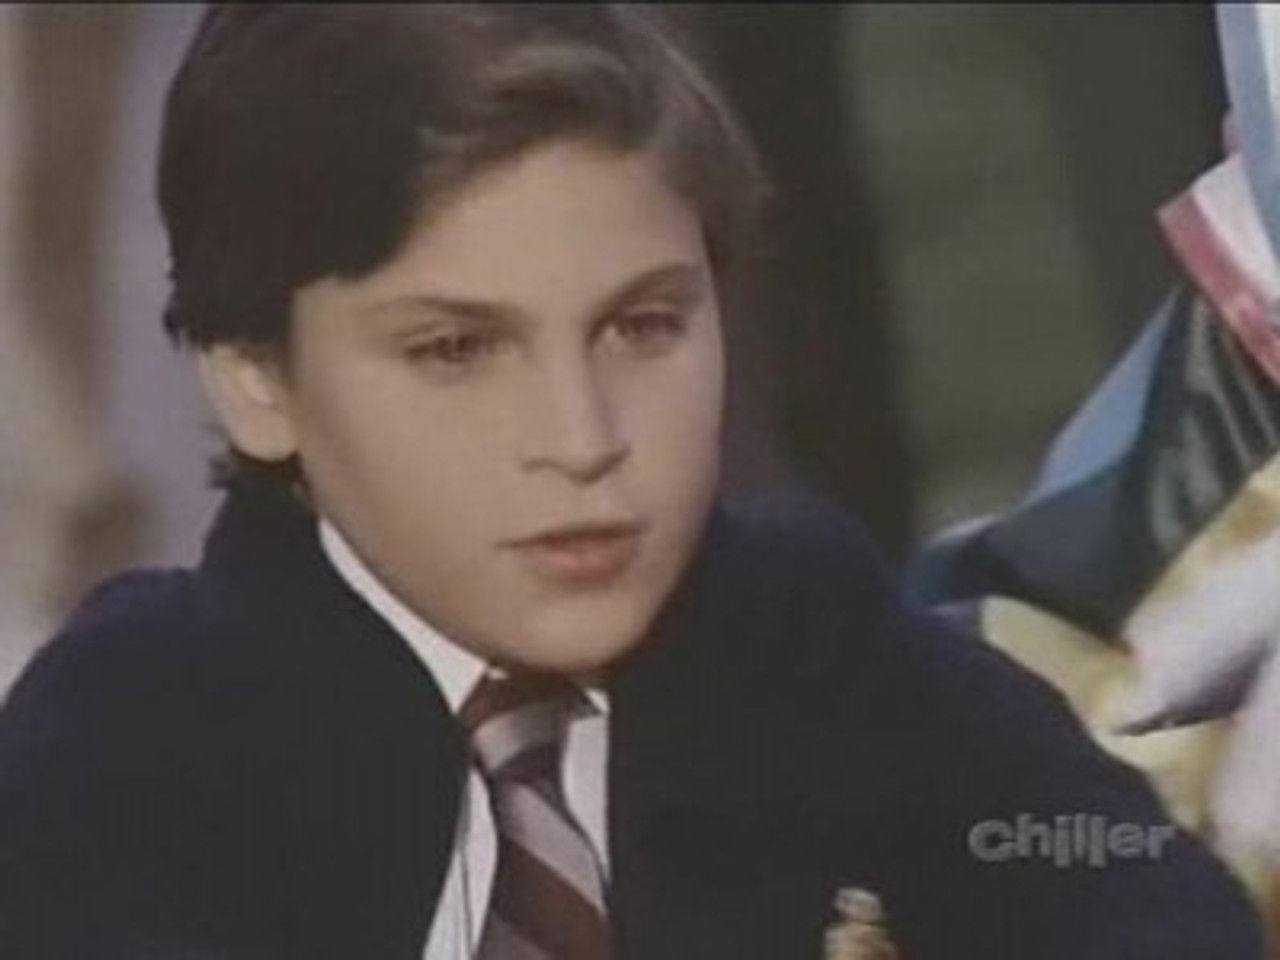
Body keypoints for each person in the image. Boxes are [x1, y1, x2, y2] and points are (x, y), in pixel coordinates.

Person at [0, 6, 1262, 959]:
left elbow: (1135, 898)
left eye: (643, 327)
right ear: (255, 382)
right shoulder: (126, 747)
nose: (581, 435)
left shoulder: (802, 639)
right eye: (455, 350)